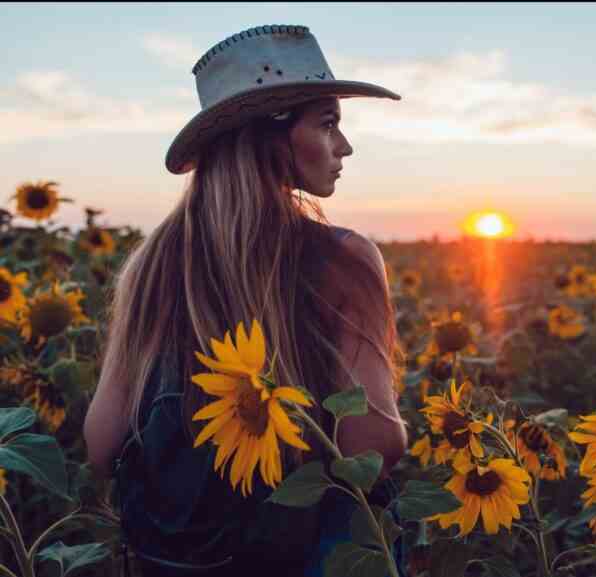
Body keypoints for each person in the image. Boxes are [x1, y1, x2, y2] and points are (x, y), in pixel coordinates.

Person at [83, 24, 408, 576]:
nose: (343, 146)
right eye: (327, 123)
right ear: (269, 135)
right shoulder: (343, 257)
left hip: (180, 559)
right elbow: (368, 445)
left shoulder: (149, 265)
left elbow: (101, 442)